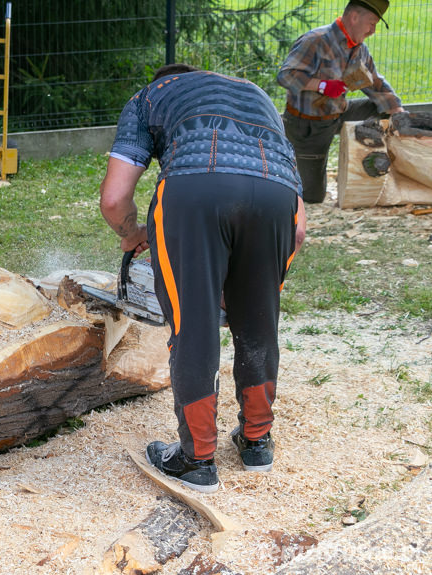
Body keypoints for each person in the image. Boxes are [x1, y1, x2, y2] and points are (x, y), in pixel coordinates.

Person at [99, 63, 307, 493]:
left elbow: (114, 199)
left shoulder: (149, 97)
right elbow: (299, 228)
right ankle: (256, 443)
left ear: (164, 79)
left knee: (194, 326)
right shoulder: (258, 97)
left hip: (194, 189)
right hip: (275, 199)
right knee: (258, 325)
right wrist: (249, 287)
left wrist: (132, 235)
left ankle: (196, 460)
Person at [278, 0, 405, 204]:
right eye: (371, 23)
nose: (373, 31)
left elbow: (375, 81)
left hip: (339, 112)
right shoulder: (315, 41)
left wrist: (398, 111)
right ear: (354, 17)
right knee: (312, 197)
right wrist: (322, 86)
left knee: (385, 110)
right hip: (308, 124)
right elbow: (285, 76)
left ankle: (367, 156)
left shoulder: (358, 49)